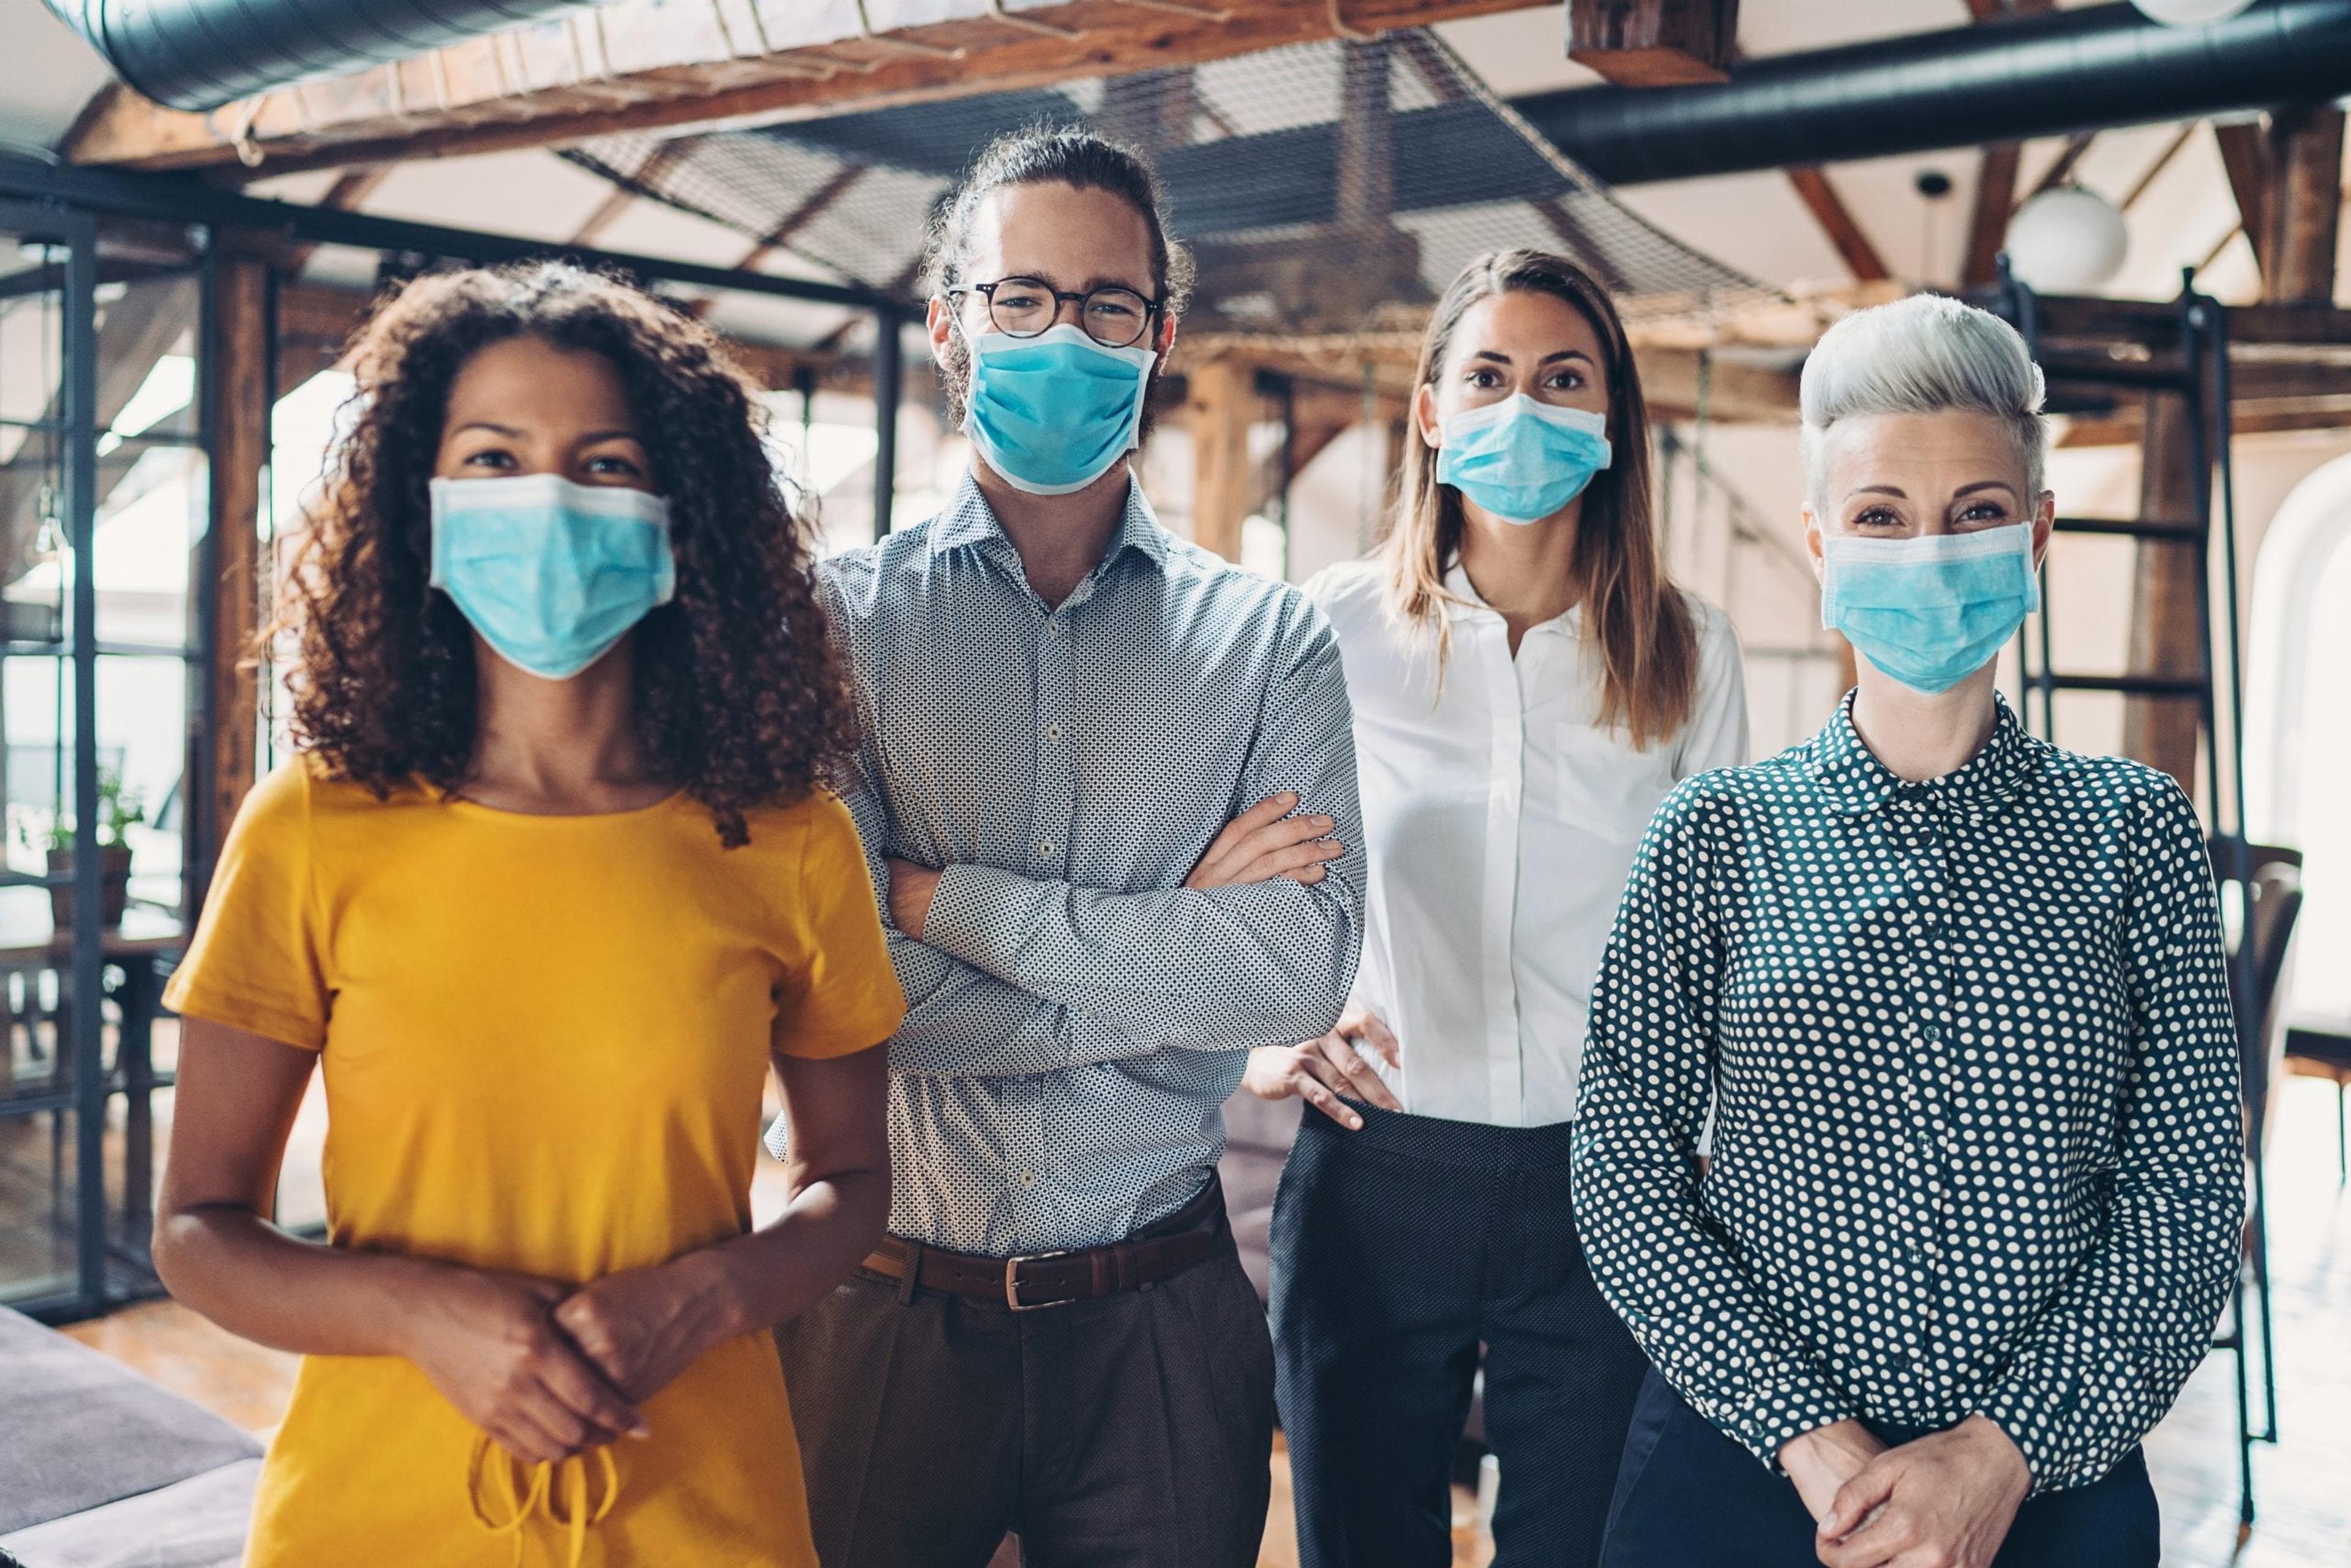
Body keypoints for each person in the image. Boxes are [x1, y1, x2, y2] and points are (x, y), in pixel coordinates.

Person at [152, 263, 906, 1568]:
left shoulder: (789, 839)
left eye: (604, 465)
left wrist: (710, 1293)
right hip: (370, 1517)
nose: (547, 501)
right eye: (494, 458)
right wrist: (416, 1313)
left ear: (685, 518)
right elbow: (196, 1232)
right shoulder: (313, 826)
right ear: (424, 507)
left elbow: (852, 1187)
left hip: (703, 1511)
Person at [1575, 293, 2246, 1568]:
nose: (1928, 553)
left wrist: (2004, 1453)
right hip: (1744, 1469)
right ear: (1822, 541)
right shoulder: (1715, 835)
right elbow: (1624, 1171)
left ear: (2036, 535)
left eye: (1976, 515)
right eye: (1881, 518)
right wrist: (1812, 1438)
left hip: (2052, 1487)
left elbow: (2189, 1191)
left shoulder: (2135, 833)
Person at [775, 126, 1363, 1568]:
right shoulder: (834, 627)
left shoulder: (1269, 639)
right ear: (949, 323)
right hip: (883, 1303)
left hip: (1161, 1319)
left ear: (1161, 332)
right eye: (1019, 297)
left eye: (1107, 304)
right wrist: (1167, 939)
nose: (1064, 332)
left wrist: (940, 901)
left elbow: (1293, 979)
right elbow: (852, 997)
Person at [1250, 248, 1750, 1568]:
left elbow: (1721, 941)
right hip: (1377, 1165)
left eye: (1562, 377)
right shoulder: (1330, 627)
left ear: (1608, 419)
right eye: (1489, 374)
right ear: (1431, 410)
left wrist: (1698, 1144)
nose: (1524, 405)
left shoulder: (1693, 653)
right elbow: (1235, 877)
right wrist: (1264, 1036)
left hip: (1607, 1180)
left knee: (1581, 1548)